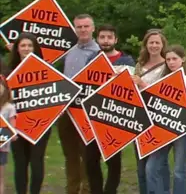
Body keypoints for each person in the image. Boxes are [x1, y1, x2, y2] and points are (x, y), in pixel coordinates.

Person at [84, 24, 135, 194]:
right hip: (93, 119)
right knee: (91, 160)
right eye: (102, 37)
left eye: (109, 37)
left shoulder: (126, 61)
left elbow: (129, 91)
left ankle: (110, 191)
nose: (105, 41)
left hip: (115, 118)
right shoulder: (91, 59)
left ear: (116, 39)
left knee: (113, 161)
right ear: (97, 39)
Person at [145, 45, 186, 194]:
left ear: (183, 59)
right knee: (152, 167)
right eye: (168, 59)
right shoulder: (163, 79)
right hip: (163, 128)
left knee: (179, 170)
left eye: (174, 59)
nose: (171, 62)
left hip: (184, 129)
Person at [59, 14, 100, 194]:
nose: (83, 30)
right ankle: (72, 189)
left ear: (93, 28)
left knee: (88, 155)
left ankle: (87, 190)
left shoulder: (99, 54)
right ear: (75, 29)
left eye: (86, 26)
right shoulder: (69, 51)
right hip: (66, 111)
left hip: (86, 112)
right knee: (70, 155)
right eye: (79, 27)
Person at [8, 33, 52, 194]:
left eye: (30, 45)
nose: (26, 49)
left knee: (36, 161)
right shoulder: (9, 72)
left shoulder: (47, 70)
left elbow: (58, 95)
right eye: (23, 46)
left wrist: (58, 109)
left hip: (41, 125)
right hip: (15, 124)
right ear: (17, 49)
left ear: (35, 48)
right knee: (19, 162)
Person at [131, 29, 169, 194]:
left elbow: (166, 93)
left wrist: (142, 84)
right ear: (146, 45)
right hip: (139, 119)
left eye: (157, 42)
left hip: (159, 120)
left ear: (162, 45)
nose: (154, 45)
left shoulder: (168, 65)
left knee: (153, 167)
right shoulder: (139, 65)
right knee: (141, 166)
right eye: (151, 42)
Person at [0, 75, 16, 194]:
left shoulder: (9, 108)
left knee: (0, 177)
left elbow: (12, 126)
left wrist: (12, 133)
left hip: (2, 148)